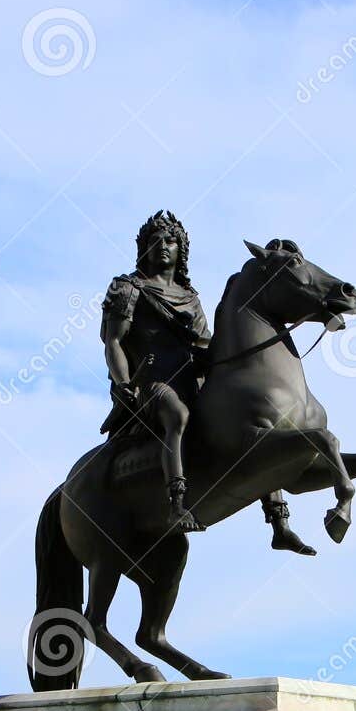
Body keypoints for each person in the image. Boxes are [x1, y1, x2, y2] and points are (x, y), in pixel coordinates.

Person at [100, 211, 313, 550]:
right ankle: (176, 504)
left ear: (181, 249)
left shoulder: (189, 296)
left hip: (193, 376)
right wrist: (124, 384)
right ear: (144, 248)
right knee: (178, 415)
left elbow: (204, 343)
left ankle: (279, 523)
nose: (163, 247)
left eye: (171, 241)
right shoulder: (128, 289)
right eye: (155, 241)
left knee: (255, 424)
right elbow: (113, 342)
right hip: (155, 381)